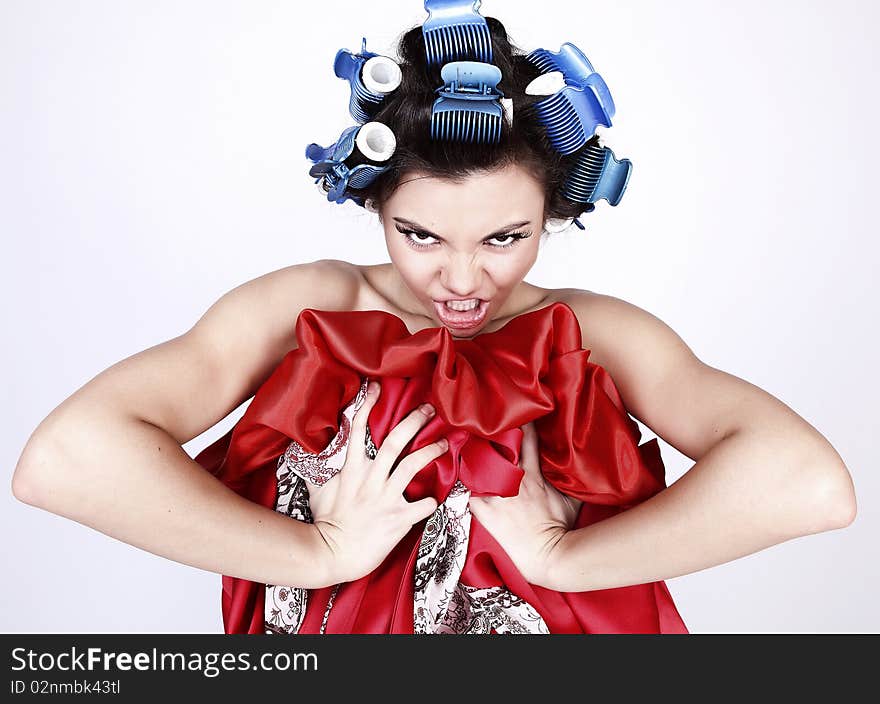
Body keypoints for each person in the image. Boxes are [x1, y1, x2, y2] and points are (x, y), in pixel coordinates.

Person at [11, 5, 856, 634]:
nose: (460, 279)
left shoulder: (596, 335)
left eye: (504, 238)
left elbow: (808, 484)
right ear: (373, 203)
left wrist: (565, 559)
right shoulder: (311, 308)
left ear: (553, 216)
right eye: (420, 234)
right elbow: (67, 462)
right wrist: (320, 554)